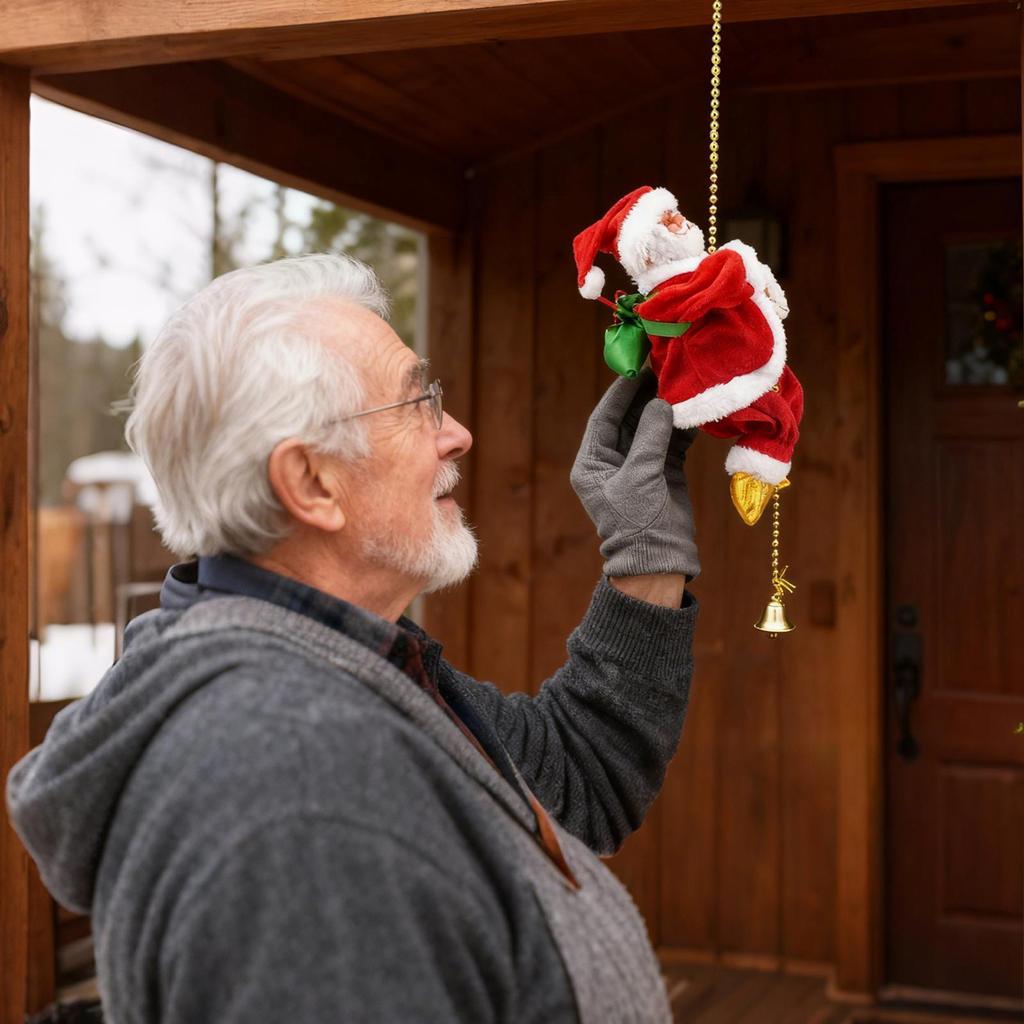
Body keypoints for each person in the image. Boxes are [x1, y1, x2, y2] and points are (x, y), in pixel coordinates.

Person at [7, 254, 700, 1024]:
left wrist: (647, 556)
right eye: (418, 404)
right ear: (310, 483)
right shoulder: (299, 776)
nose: (459, 434)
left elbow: (568, 788)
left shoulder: (342, 663)